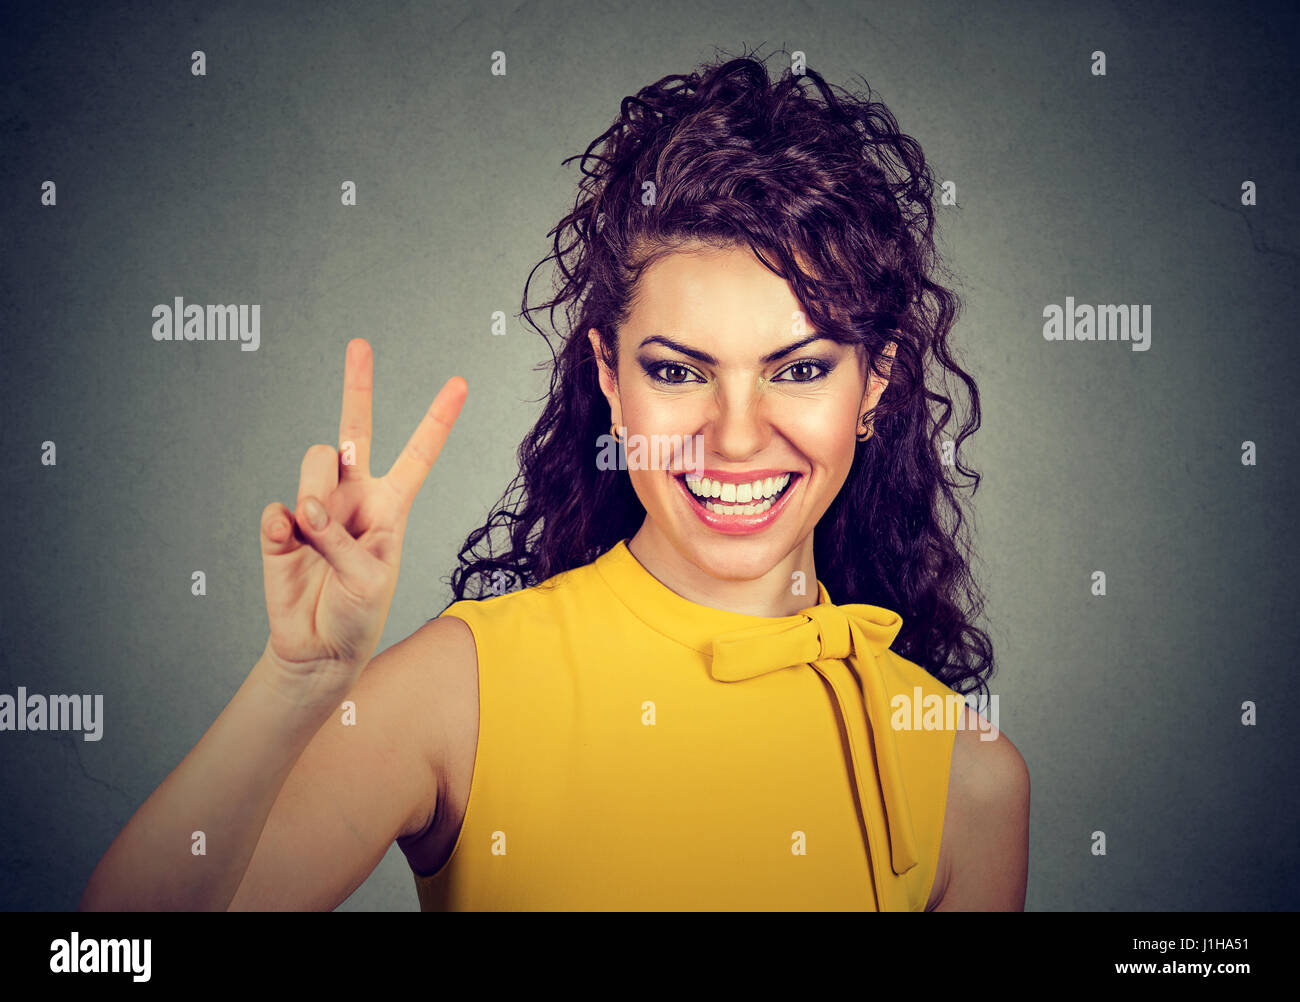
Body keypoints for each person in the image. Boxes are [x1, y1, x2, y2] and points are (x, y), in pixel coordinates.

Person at [81, 53, 1028, 912]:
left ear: (878, 380)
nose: (736, 439)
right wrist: (297, 684)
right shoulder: (463, 691)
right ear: (610, 378)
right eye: (677, 371)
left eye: (800, 368)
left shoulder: (970, 779)